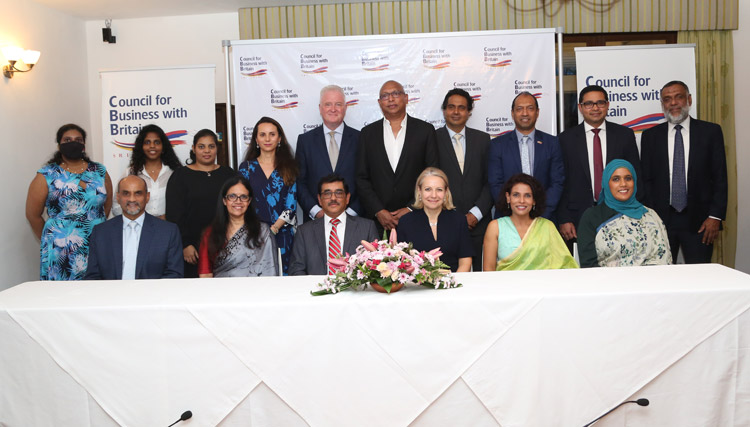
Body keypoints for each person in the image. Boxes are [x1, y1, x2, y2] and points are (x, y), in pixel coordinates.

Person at [641, 81, 728, 264]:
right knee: (661, 275)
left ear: (689, 99)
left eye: (678, 97)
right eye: (667, 99)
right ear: (662, 105)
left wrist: (715, 217)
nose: (673, 103)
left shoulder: (710, 132)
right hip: (661, 221)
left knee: (699, 274)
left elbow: (720, 178)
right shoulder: (650, 136)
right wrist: (650, 219)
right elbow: (646, 180)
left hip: (701, 222)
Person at [558, 85, 642, 251]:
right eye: (589, 104)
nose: (595, 108)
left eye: (600, 103)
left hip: (619, 214)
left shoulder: (624, 135)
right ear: (580, 107)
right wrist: (564, 218)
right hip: (577, 218)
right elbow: (561, 181)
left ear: (607, 105)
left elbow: (635, 177)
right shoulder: (565, 139)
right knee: (583, 263)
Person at [25, 124, 113, 280]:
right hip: (61, 249)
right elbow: (33, 215)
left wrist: (91, 224)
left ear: (84, 145)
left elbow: (106, 205)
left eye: (78, 140)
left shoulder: (99, 171)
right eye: (67, 140)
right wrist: (51, 237)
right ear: (59, 145)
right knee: (62, 292)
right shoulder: (47, 174)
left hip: (96, 244)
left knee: (96, 289)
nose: (73, 143)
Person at [356, 80, 438, 232]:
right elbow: (361, 178)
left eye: (395, 93)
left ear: (406, 98)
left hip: (417, 218)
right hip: (378, 222)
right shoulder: (367, 134)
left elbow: (432, 174)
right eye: (385, 96)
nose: (391, 99)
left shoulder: (425, 130)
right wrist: (378, 210)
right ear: (379, 102)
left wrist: (412, 207)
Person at [166, 129, 236, 278]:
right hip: (193, 250)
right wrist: (185, 244)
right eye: (201, 146)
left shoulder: (229, 174)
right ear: (193, 148)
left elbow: (237, 208)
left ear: (217, 148)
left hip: (226, 245)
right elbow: (174, 214)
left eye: (211, 146)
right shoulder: (180, 176)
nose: (207, 151)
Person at [435, 88, 493, 270]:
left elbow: (491, 181)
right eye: (451, 107)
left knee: (479, 278)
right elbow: (429, 182)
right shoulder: (432, 139)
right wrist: (450, 215)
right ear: (444, 110)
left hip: (478, 225)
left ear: (469, 112)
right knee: (444, 277)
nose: (456, 112)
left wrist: (476, 214)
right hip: (442, 223)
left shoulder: (483, 140)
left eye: (461, 107)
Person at [85, 176, 183, 279]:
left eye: (138, 193)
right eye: (126, 193)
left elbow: (174, 275)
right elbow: (93, 277)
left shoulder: (168, 232)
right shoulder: (101, 232)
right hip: (111, 290)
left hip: (153, 290)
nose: (132, 199)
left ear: (147, 197)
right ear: (118, 197)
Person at [577, 160, 671, 268]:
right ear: (606, 183)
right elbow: (588, 265)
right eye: (616, 179)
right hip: (607, 278)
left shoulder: (650, 215)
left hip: (650, 277)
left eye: (628, 178)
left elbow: (663, 257)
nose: (623, 184)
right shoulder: (592, 217)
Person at [488, 91, 564, 221]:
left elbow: (557, 182)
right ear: (512, 113)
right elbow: (496, 184)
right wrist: (515, 215)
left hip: (544, 218)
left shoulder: (552, 143)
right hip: (508, 219)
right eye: (519, 109)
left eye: (530, 108)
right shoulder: (497, 145)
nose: (525, 113)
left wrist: (541, 214)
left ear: (537, 112)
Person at [238, 117, 297, 275]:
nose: (267, 139)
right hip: (253, 235)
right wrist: (258, 232)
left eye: (272, 134)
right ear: (256, 139)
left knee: (283, 280)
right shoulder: (246, 168)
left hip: (282, 235)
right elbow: (241, 202)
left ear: (279, 138)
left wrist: (273, 229)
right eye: (262, 135)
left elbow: (291, 206)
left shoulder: (289, 167)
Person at [483, 173, 578, 271]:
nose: (522, 200)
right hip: (505, 281)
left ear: (534, 200)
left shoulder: (547, 226)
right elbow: (488, 270)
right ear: (508, 197)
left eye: (527, 196)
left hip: (542, 281)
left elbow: (564, 265)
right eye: (516, 195)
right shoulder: (495, 227)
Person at [288, 174, 378, 276]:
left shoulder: (367, 228)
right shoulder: (304, 232)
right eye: (327, 194)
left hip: (356, 286)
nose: (333, 198)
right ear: (319, 199)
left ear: (347, 198)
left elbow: (375, 266)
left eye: (338, 193)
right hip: (315, 285)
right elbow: (296, 270)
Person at [296, 85, 361, 222]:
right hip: (316, 223)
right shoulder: (305, 141)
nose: (333, 109)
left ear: (345, 108)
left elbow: (366, 181)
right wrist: (316, 212)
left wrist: (351, 213)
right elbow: (300, 182)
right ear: (320, 108)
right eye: (328, 104)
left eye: (338, 104)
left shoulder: (361, 139)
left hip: (354, 221)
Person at [198, 175, 278, 277]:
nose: (238, 201)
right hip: (220, 287)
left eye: (243, 197)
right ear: (224, 201)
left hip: (256, 287)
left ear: (249, 201)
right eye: (232, 196)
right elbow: (205, 274)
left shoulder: (262, 231)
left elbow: (269, 270)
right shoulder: (210, 233)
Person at [397, 168, 473, 272]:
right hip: (417, 281)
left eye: (439, 190)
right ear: (419, 191)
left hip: (454, 279)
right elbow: (402, 262)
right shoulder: (405, 222)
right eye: (428, 189)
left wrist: (453, 280)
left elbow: (465, 260)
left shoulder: (459, 220)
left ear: (446, 192)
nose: (434, 195)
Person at [112, 124, 182, 219]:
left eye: (157, 142)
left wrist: (168, 218)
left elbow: (183, 205)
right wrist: (138, 219)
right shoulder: (131, 173)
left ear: (163, 147)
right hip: (138, 226)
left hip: (168, 226)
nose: (152, 146)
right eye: (147, 142)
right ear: (141, 147)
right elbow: (116, 206)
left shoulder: (174, 173)